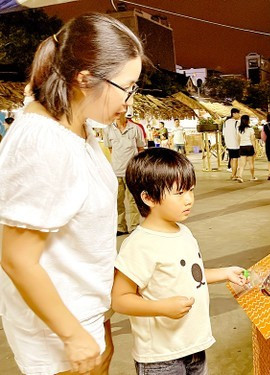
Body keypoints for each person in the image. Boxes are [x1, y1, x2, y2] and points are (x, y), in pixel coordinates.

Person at [0, 13, 144, 375]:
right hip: (58, 335)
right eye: (128, 86)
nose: (130, 100)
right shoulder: (44, 143)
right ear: (85, 78)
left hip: (86, 313)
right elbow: (16, 256)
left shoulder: (76, 124)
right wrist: (72, 334)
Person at [111, 148, 247, 375]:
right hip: (160, 357)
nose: (189, 199)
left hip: (194, 345)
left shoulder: (183, 232)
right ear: (148, 197)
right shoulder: (139, 245)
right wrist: (160, 307)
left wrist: (224, 273)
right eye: (180, 192)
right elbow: (120, 299)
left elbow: (188, 275)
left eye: (191, 190)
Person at [104, 112, 145, 236]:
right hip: (116, 172)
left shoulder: (135, 129)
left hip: (131, 172)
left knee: (133, 200)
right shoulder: (108, 130)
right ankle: (120, 227)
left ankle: (134, 226)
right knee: (118, 200)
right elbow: (110, 149)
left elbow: (140, 148)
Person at [236, 114, 257, 182]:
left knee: (242, 164)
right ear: (248, 121)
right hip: (249, 146)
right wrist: (255, 148)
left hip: (242, 146)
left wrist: (239, 146)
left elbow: (238, 139)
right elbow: (252, 139)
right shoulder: (250, 129)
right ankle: (253, 176)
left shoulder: (239, 129)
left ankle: (240, 176)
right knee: (251, 163)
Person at [222, 108, 241, 180]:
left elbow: (223, 133)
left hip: (228, 143)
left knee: (232, 159)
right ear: (234, 114)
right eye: (238, 113)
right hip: (235, 144)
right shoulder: (237, 123)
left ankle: (233, 174)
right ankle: (234, 175)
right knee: (235, 159)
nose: (239, 115)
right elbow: (238, 134)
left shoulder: (225, 123)